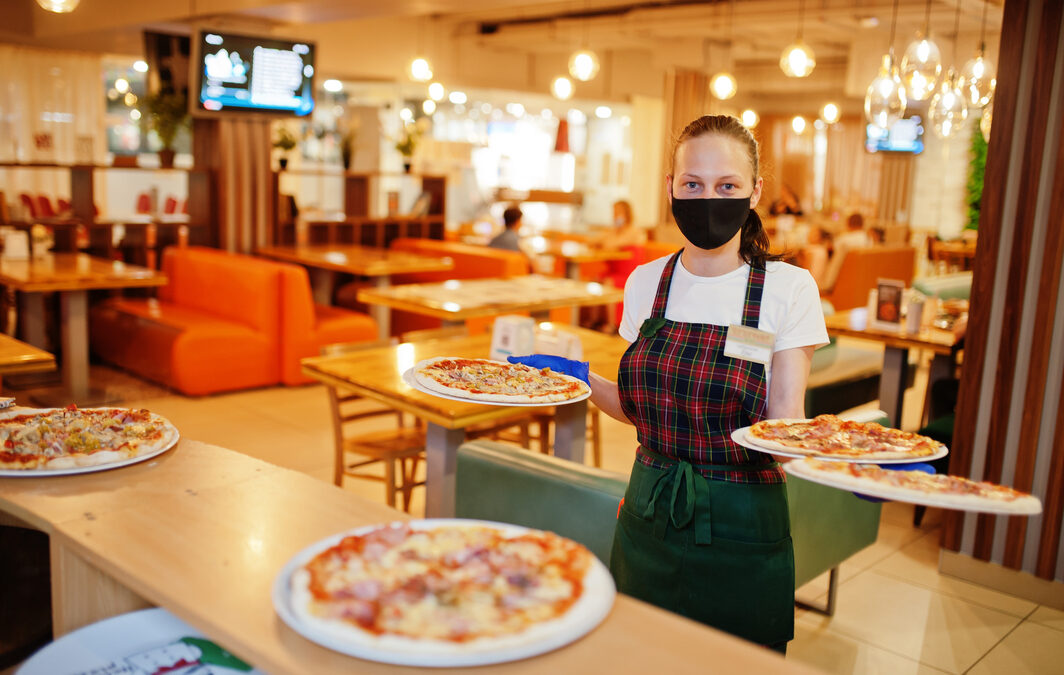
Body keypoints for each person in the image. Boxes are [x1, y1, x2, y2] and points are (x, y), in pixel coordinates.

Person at [541, 115, 826, 652]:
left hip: (743, 524)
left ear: (755, 191)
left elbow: (786, 424)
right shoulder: (647, 281)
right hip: (647, 510)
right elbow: (636, 408)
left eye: (727, 187)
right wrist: (573, 378)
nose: (707, 199)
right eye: (692, 184)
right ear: (669, 186)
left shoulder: (789, 288)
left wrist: (848, 463)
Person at [821, 212, 873, 291]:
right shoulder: (869, 240)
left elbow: (830, 249)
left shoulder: (845, 240)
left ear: (848, 223)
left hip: (840, 278)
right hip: (861, 279)